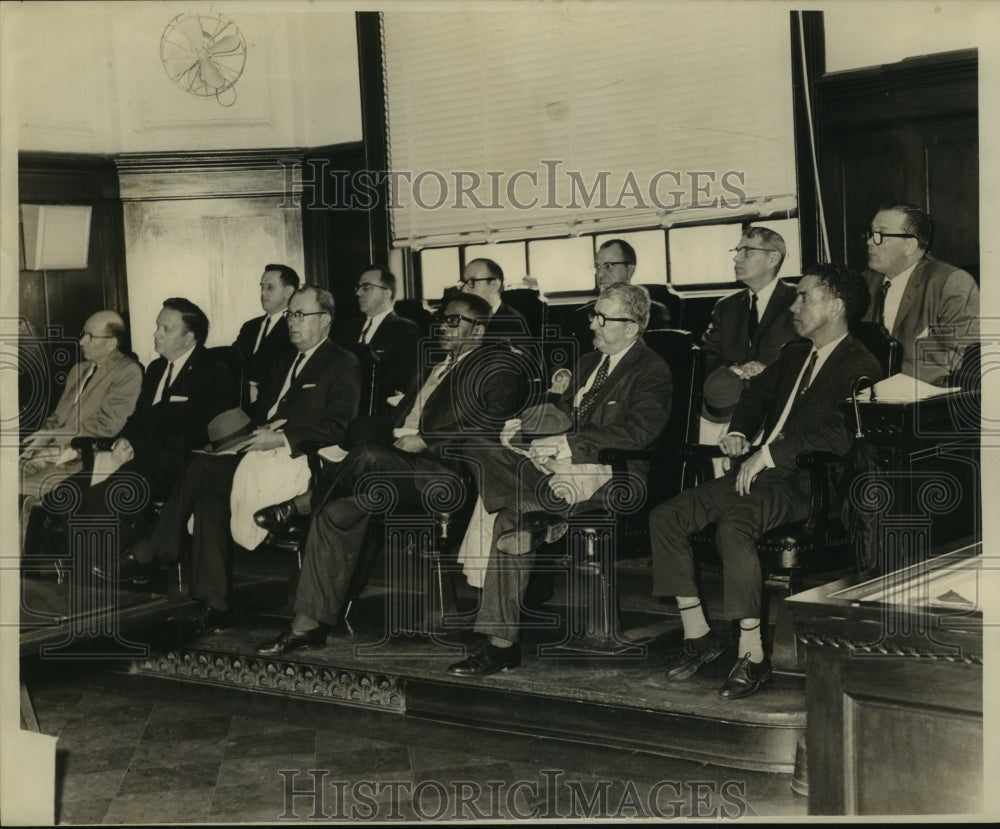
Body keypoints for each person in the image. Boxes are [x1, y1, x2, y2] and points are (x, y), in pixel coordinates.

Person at [648, 263, 883, 700]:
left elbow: (840, 434)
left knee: (734, 527)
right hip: (755, 473)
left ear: (834, 306)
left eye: (804, 297)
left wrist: (772, 452)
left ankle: (752, 655)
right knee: (667, 517)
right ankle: (698, 636)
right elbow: (755, 395)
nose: (794, 305)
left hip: (805, 484)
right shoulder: (795, 353)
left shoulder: (861, 364)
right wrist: (739, 429)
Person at [253, 292, 532, 655]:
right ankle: (306, 626)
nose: (443, 327)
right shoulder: (433, 365)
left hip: (448, 474)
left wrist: (426, 440)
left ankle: (301, 504)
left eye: (453, 321)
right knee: (337, 511)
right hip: (397, 469)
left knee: (366, 455)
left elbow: (489, 427)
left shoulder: (497, 367)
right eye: (441, 319)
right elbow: (398, 419)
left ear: (478, 330)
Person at [445, 283, 673, 677]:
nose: (594, 324)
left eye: (604, 318)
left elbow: (638, 434)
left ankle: (501, 645)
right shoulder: (585, 364)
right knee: (476, 443)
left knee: (510, 517)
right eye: (593, 315)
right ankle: (545, 510)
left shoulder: (652, 370)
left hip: (613, 476)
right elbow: (557, 415)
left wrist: (569, 445)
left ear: (633, 327)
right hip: (556, 474)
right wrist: (520, 429)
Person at [107, 287, 360, 635]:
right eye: (290, 315)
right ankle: (217, 605)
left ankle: (153, 547)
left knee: (200, 469)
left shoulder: (342, 363)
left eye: (301, 315)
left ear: (325, 320)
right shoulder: (285, 360)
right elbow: (260, 413)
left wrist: (283, 438)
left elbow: (340, 427)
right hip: (260, 456)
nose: (292, 322)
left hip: (303, 465)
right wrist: (240, 437)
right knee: (210, 499)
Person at [83, 298, 233, 553]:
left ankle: (125, 565)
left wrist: (140, 449)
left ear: (189, 337)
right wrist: (124, 440)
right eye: (157, 326)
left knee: (108, 494)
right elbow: (137, 418)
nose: (157, 334)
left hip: (178, 465)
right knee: (70, 491)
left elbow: (203, 431)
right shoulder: (155, 369)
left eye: (166, 329)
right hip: (140, 460)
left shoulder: (213, 370)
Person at [698, 227, 799, 455]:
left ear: (772, 258)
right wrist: (734, 370)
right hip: (727, 402)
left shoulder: (797, 300)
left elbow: (804, 353)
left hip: (776, 405)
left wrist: (766, 370)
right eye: (737, 251)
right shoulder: (726, 306)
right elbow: (707, 356)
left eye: (746, 251)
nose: (736, 257)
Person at [20, 310, 142, 496]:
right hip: (52, 452)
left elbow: (106, 427)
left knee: (11, 489)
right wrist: (40, 441)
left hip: (83, 459)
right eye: (82, 334)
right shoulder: (78, 370)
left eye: (89, 336)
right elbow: (57, 417)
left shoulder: (127, 371)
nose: (81, 341)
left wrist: (56, 440)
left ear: (111, 343)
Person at [862, 202, 979, 385]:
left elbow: (961, 359)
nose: (870, 241)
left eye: (880, 235)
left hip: (924, 403)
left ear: (909, 245)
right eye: (870, 233)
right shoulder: (866, 282)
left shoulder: (950, 282)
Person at [336, 266, 420, 417]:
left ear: (386, 293)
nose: (358, 293)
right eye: (358, 287)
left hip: (378, 412)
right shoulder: (345, 329)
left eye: (366, 287)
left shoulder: (405, 330)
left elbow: (399, 379)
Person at [568, 239, 671, 349]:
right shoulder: (581, 316)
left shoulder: (654, 314)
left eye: (609, 266)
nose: (600, 274)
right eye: (597, 267)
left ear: (630, 270)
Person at [233, 264, 300, 408]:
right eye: (262, 287)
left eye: (270, 287)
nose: (263, 293)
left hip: (275, 405)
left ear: (288, 291)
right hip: (240, 404)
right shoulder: (249, 327)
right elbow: (233, 361)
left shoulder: (295, 326)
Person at [459, 258, 529, 336]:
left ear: (494, 285)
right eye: (464, 282)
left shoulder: (514, 324)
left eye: (472, 282)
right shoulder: (467, 318)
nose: (464, 290)